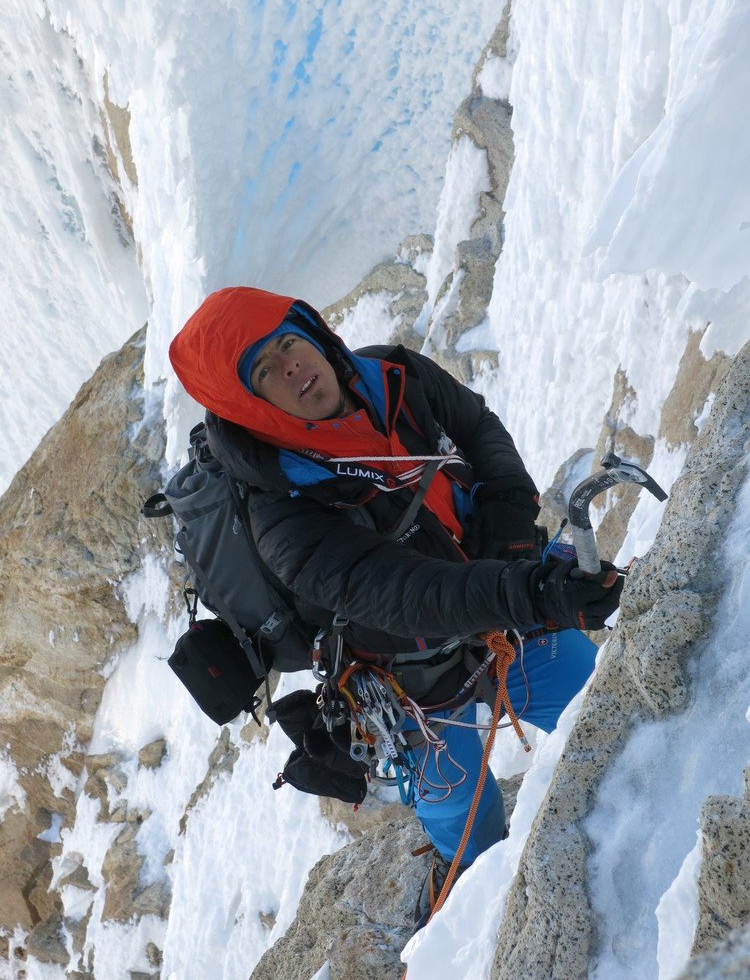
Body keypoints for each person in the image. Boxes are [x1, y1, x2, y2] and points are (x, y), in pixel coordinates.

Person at [169, 286, 622, 928]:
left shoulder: (393, 375)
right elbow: (403, 593)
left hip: (501, 603)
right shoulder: (278, 513)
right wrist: (531, 593)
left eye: (290, 343)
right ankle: (465, 898)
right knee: (466, 827)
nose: (294, 367)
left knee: (606, 707)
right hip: (415, 684)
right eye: (264, 371)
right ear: (249, 404)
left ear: (315, 333)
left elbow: (478, 430)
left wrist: (510, 533)